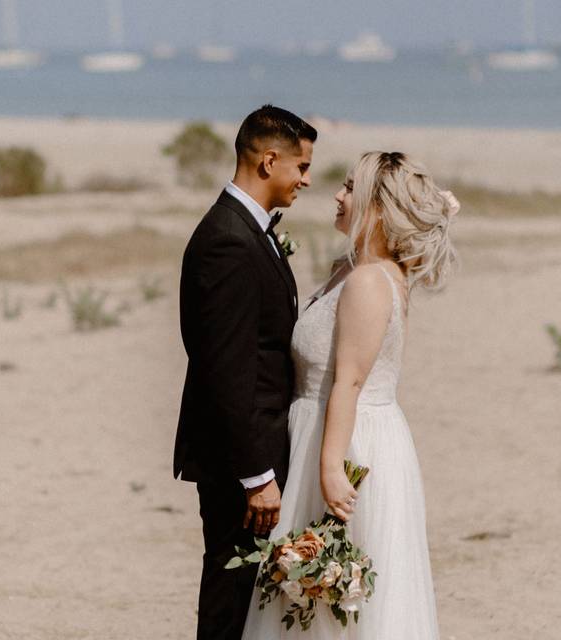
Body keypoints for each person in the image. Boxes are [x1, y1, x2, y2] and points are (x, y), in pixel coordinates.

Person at [242, 151, 458, 639]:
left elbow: (350, 382)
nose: (336, 196)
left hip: (347, 441)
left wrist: (331, 467)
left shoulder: (367, 281)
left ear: (377, 207)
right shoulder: (359, 265)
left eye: (348, 188)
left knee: (334, 594)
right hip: (332, 432)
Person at [174, 105, 316, 640]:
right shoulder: (228, 242)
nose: (304, 180)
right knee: (231, 601)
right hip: (241, 462)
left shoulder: (248, 232)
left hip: (255, 453)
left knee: (252, 598)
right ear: (269, 161)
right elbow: (224, 371)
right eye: (300, 167)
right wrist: (256, 476)